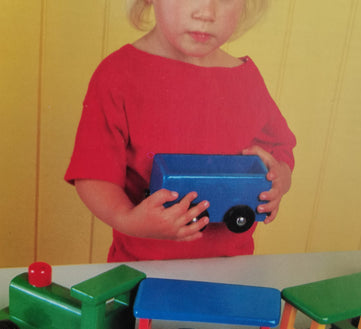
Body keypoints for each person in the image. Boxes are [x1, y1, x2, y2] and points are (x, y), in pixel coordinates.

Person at [65, 0, 296, 262]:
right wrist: (127, 219)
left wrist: (280, 179)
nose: (206, 13)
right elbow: (93, 173)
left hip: (232, 268)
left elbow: (280, 149)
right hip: (144, 268)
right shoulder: (117, 75)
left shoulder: (247, 79)